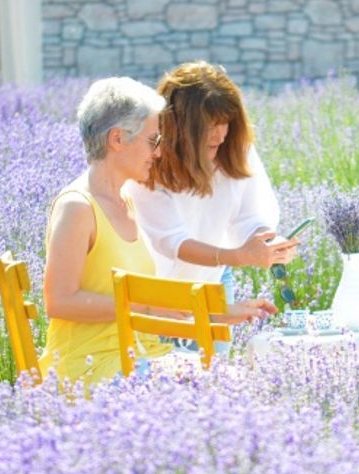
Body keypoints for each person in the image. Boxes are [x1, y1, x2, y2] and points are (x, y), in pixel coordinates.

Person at [39, 77, 276, 386]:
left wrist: (223, 311)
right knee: (227, 385)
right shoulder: (78, 207)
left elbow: (145, 304)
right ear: (118, 140)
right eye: (153, 140)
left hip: (140, 355)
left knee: (239, 379)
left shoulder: (127, 202)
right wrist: (146, 307)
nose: (160, 151)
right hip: (92, 366)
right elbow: (59, 301)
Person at [124, 61, 298, 355]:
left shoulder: (234, 148)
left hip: (212, 280)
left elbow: (251, 214)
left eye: (226, 122)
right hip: (157, 294)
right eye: (209, 126)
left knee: (214, 379)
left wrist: (268, 243)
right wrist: (239, 256)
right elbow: (172, 242)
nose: (220, 135)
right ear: (179, 127)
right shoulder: (149, 161)